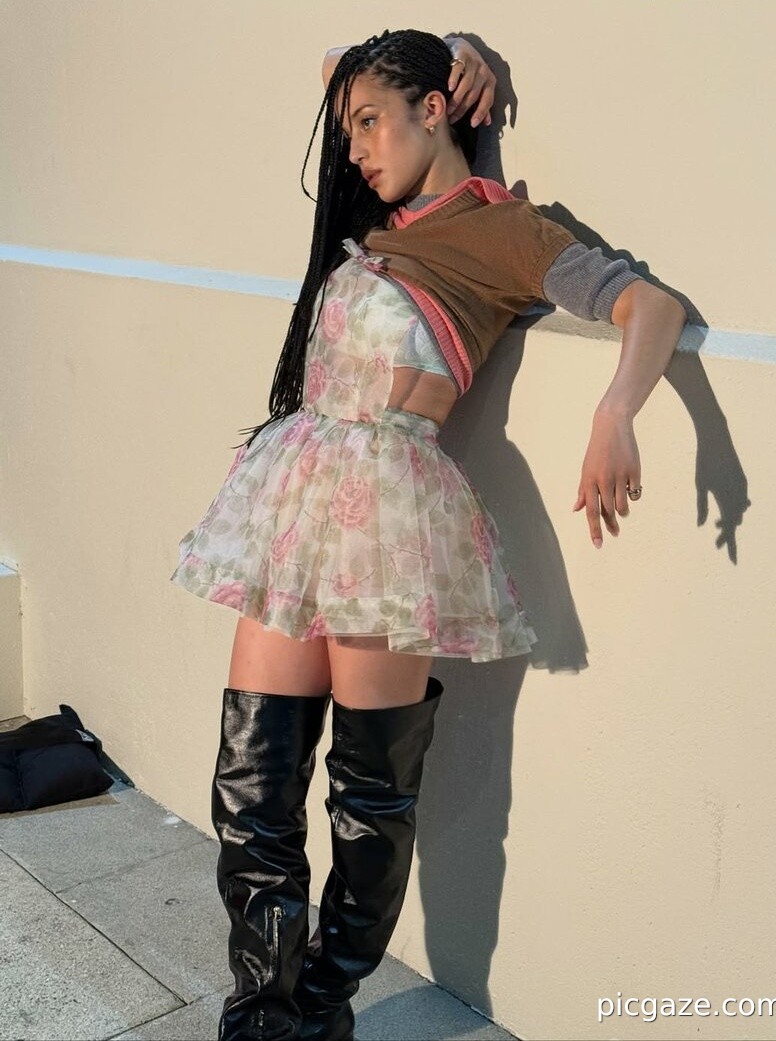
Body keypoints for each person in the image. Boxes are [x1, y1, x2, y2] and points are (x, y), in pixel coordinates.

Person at [169, 28, 687, 1041]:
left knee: (369, 798)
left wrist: (615, 410)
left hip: (386, 521)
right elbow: (337, 62)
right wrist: (454, 45)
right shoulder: (381, 213)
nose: (357, 148)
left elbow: (649, 305)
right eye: (350, 131)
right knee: (251, 788)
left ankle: (321, 1008)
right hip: (294, 502)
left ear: (435, 110)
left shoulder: (507, 231)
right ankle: (260, 1014)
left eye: (373, 123)